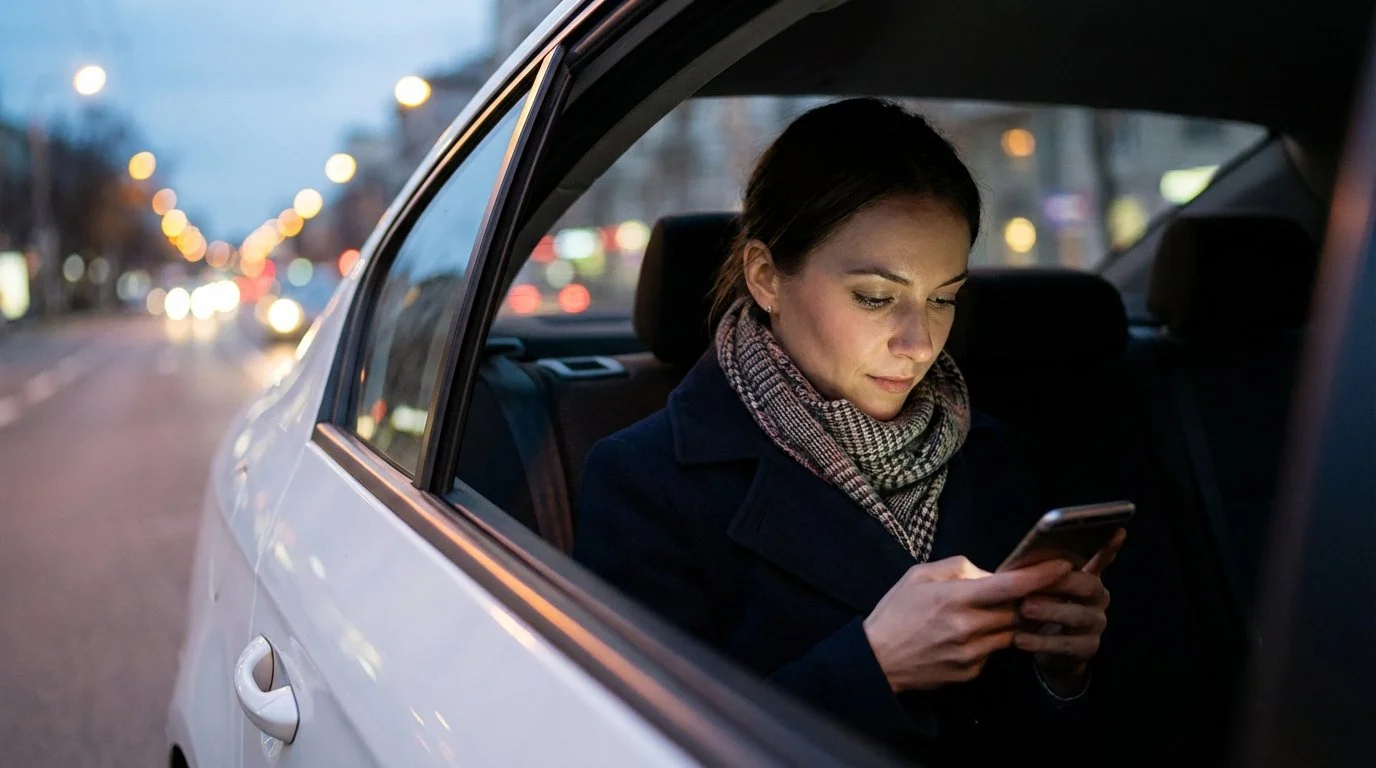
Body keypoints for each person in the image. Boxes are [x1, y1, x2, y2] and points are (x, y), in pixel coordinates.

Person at [574, 98, 1123, 765]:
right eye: (875, 297)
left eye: (943, 298)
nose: (919, 344)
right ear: (768, 277)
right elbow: (645, 749)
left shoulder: (986, 450)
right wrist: (873, 666)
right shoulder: (645, 481)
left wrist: (1059, 673)